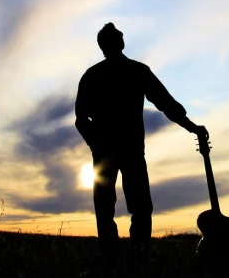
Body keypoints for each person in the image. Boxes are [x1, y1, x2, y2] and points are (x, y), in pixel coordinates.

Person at [75, 23, 208, 268]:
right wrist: (191, 126)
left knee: (116, 208)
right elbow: (166, 103)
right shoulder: (134, 71)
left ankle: (117, 257)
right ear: (120, 43)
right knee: (134, 208)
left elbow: (81, 120)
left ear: (103, 46)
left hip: (119, 152)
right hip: (127, 151)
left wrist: (96, 144)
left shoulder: (95, 75)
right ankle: (132, 257)